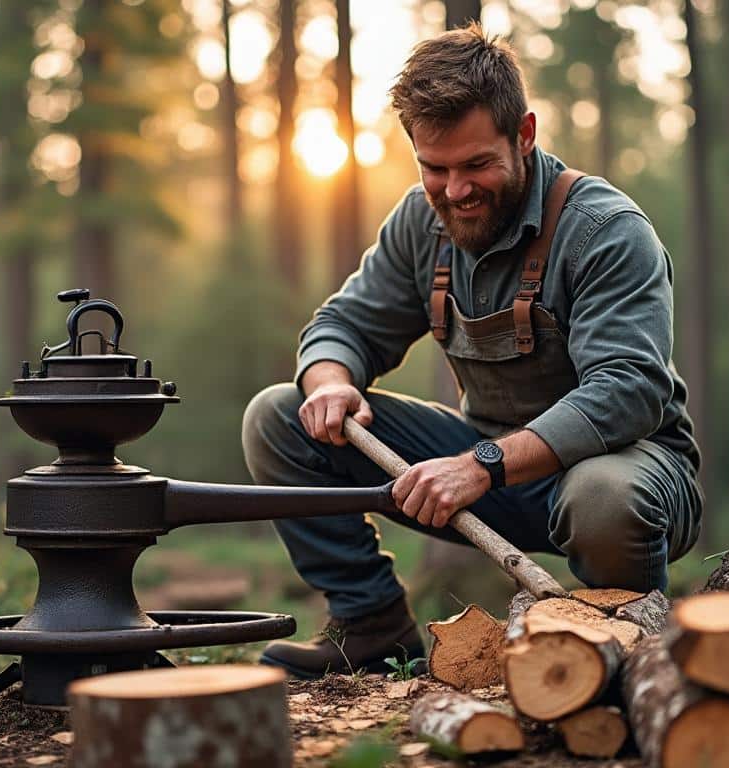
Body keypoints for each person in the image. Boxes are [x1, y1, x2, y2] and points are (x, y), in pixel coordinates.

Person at [241, 24, 702, 679]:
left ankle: (624, 651)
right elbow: (343, 323)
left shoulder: (605, 231)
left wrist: (484, 464)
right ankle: (372, 626)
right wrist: (331, 381)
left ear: (525, 135)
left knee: (601, 495)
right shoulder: (419, 223)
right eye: (435, 168)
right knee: (278, 414)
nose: (455, 190)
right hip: (490, 476)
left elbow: (628, 389)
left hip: (628, 474)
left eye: (476, 164)